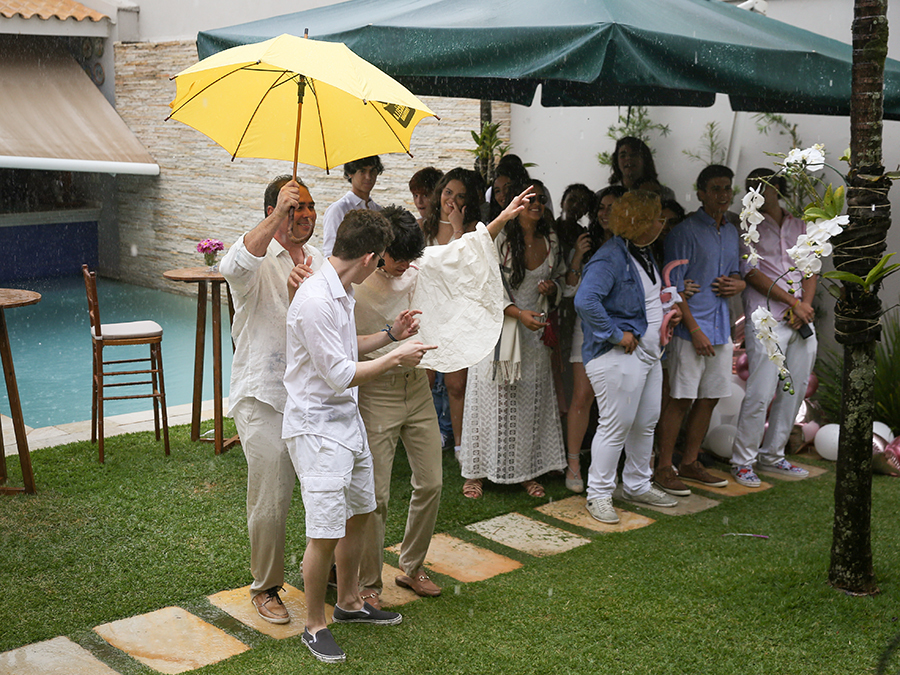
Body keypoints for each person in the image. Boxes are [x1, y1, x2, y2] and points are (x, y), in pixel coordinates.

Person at [355, 190, 532, 608]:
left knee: (432, 482)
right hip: (377, 390)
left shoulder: (417, 265)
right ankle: (368, 583)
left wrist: (503, 217)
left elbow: (462, 252)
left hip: (416, 387)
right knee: (376, 495)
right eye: (397, 260)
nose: (405, 267)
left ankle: (412, 565)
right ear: (378, 252)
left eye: (409, 259)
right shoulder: (355, 283)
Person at [283, 208, 436, 664]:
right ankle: (314, 625)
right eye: (382, 257)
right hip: (317, 430)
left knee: (358, 514)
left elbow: (348, 348)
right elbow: (339, 374)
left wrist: (390, 335)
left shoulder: (342, 290)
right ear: (370, 257)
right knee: (324, 532)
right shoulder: (316, 300)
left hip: (346, 423)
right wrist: (397, 358)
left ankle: (349, 603)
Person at [218, 175, 322, 625]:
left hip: (311, 396)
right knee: (272, 498)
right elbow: (231, 266)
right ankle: (266, 586)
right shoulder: (257, 260)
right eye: (294, 207)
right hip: (263, 394)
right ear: (272, 212)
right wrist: (279, 211)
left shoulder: (318, 260)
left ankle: (326, 568)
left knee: (324, 486)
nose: (305, 214)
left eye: (309, 206)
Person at [575, 190, 681, 523]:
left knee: (646, 421)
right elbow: (585, 300)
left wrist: (668, 314)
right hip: (616, 354)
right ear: (639, 222)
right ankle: (598, 494)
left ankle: (637, 484)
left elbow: (646, 298)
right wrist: (615, 334)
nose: (662, 223)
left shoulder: (642, 251)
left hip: (647, 355)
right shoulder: (610, 257)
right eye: (657, 218)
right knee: (615, 424)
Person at [459, 179, 570, 499]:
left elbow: (561, 280)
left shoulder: (551, 240)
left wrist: (553, 289)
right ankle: (476, 472)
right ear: (516, 203)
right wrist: (518, 314)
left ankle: (525, 471)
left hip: (534, 333)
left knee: (527, 404)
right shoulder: (499, 240)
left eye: (541, 199)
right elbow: (485, 288)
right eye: (529, 199)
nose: (536, 204)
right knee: (489, 401)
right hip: (498, 330)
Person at [654, 165, 745, 496]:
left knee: (710, 398)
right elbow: (672, 288)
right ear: (701, 193)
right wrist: (694, 331)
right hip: (689, 332)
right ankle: (664, 467)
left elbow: (737, 273)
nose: (723, 195)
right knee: (680, 399)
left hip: (720, 329)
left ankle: (690, 462)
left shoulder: (732, 232)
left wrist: (739, 283)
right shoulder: (684, 233)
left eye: (727, 188)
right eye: (716, 189)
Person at [729, 169, 815, 487]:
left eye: (761, 187)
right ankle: (743, 462)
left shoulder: (799, 225)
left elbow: (810, 269)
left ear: (777, 188)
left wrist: (804, 306)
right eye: (750, 188)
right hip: (766, 317)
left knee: (794, 388)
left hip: (799, 319)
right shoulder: (746, 227)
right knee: (761, 391)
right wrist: (794, 303)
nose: (754, 193)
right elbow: (751, 273)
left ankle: (773, 456)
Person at [563, 185, 626, 492]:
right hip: (587, 327)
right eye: (601, 207)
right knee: (582, 396)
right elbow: (571, 290)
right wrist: (577, 257)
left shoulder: (632, 245)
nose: (604, 213)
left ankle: (609, 465)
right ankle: (573, 464)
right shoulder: (587, 243)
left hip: (622, 329)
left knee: (616, 400)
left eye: (612, 207)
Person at [420, 167, 485, 456]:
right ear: (439, 193)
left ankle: (460, 444)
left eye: (460, 196)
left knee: (456, 384)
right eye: (448, 192)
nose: (452, 200)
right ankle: (428, 438)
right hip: (427, 312)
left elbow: (461, 269)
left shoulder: (474, 230)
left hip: (458, 313)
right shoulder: (424, 227)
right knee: (426, 380)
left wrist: (458, 229)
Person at [322, 155, 384, 257]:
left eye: (372, 171)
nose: (368, 177)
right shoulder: (339, 209)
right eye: (362, 171)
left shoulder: (379, 210)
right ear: (350, 173)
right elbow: (330, 252)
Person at [608, 136, 676, 201]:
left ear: (645, 159)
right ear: (616, 161)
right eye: (623, 156)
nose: (628, 158)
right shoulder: (607, 195)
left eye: (634, 154)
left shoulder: (665, 194)